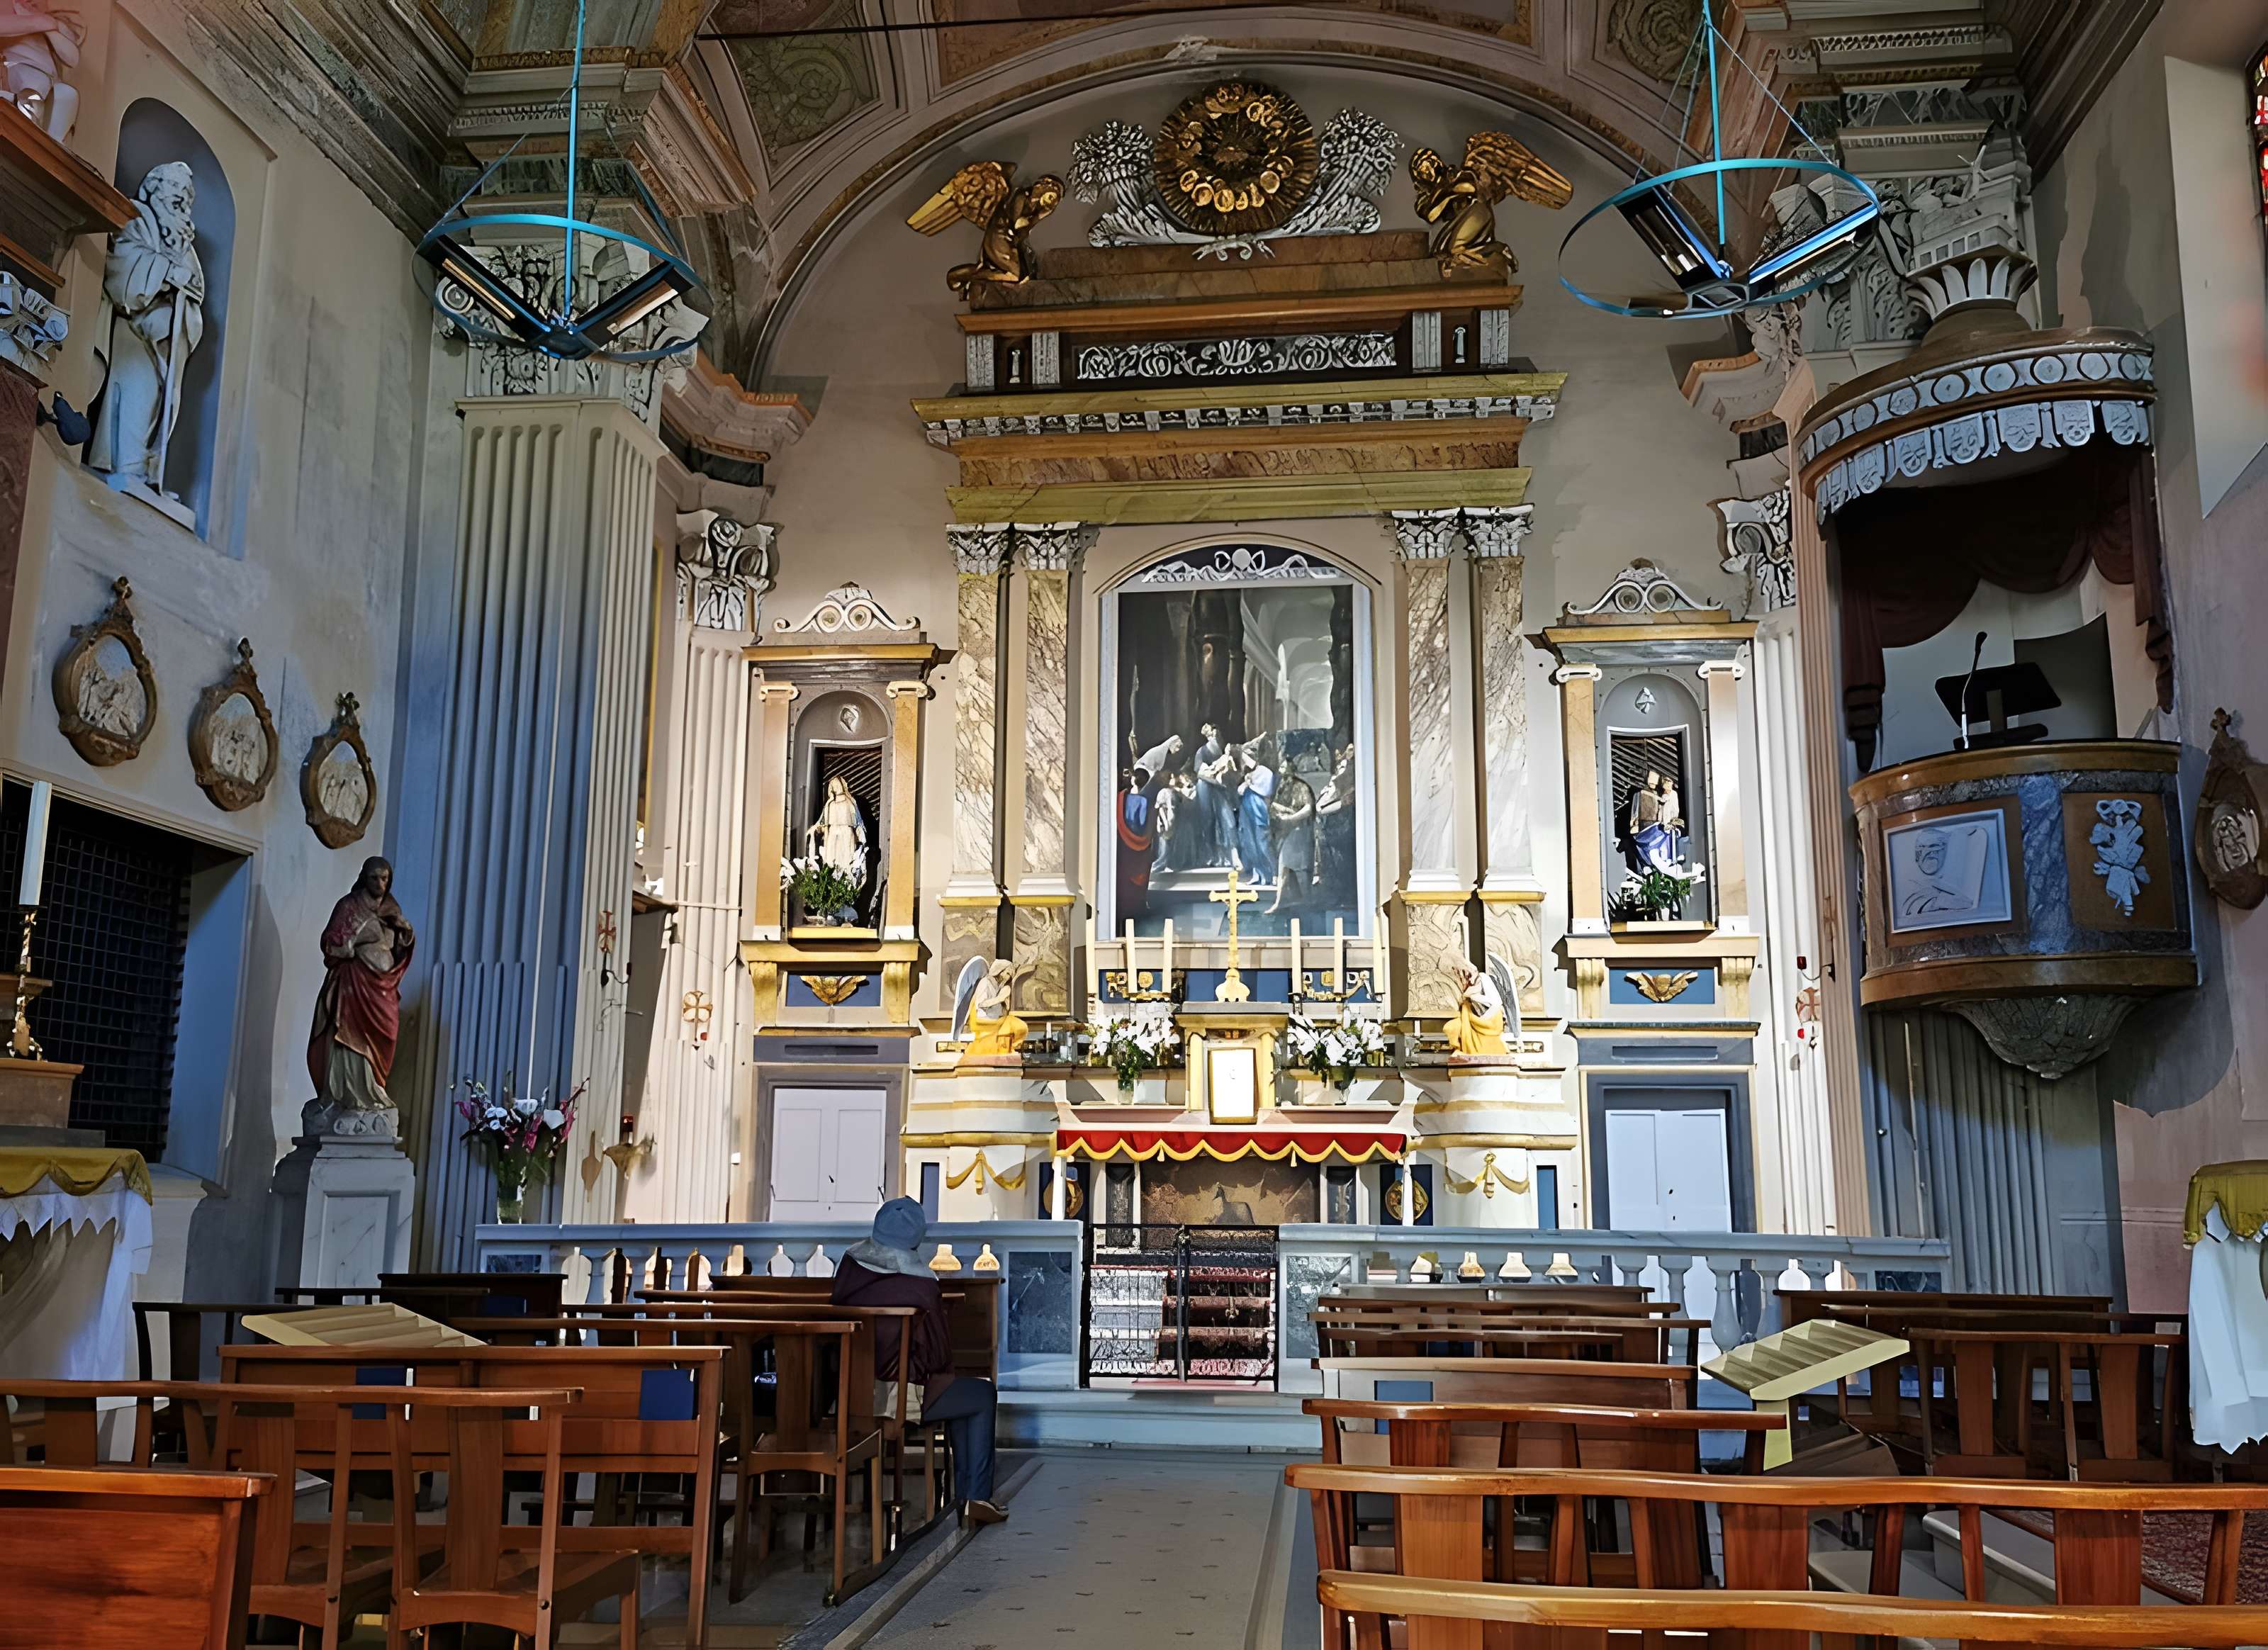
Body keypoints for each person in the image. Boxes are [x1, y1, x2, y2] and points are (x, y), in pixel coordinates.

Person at [833, 1199, 1008, 1527]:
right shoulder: (921, 1283)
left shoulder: (849, 1269)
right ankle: (975, 1498)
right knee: (981, 1396)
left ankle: (971, 1497)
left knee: (962, 1399)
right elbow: (939, 1355)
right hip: (896, 1400)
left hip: (847, 1395)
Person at [307, 856, 415, 1115]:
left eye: (384, 878)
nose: (379, 883)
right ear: (364, 878)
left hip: (382, 988)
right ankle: (346, 1094)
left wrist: (406, 934)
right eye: (374, 878)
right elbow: (331, 942)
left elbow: (399, 948)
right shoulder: (349, 906)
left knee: (385, 1034)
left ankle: (374, 1089)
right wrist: (355, 941)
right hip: (352, 983)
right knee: (347, 1036)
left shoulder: (392, 908)